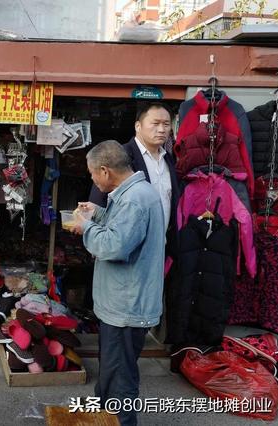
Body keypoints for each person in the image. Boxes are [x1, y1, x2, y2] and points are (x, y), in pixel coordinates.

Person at [70, 140, 165, 426]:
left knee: (120, 376)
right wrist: (98, 214)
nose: (91, 179)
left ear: (104, 170)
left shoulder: (135, 198)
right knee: (111, 371)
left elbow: (114, 245)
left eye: (91, 174)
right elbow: (123, 229)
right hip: (121, 302)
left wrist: (86, 226)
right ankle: (104, 418)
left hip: (127, 305)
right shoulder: (133, 193)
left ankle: (121, 421)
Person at [89, 102, 179, 261]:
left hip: (160, 247)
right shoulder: (121, 155)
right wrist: (98, 241)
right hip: (127, 247)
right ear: (138, 126)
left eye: (166, 124)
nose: (162, 129)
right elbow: (100, 193)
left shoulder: (168, 160)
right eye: (155, 123)